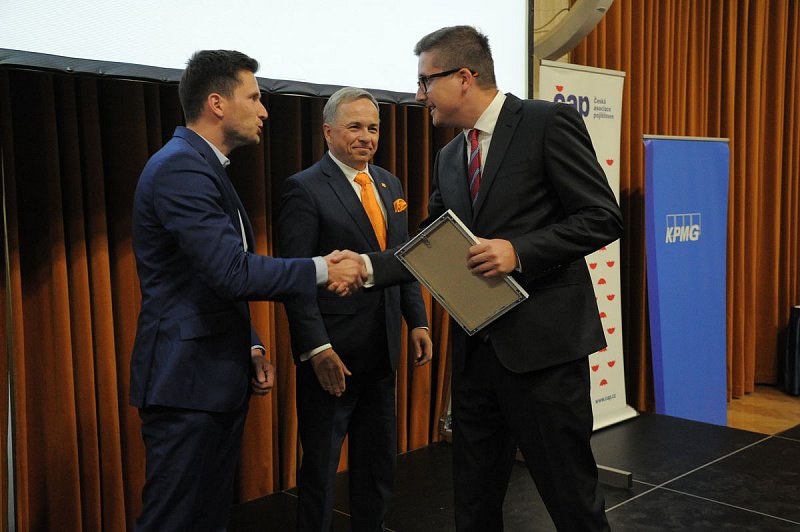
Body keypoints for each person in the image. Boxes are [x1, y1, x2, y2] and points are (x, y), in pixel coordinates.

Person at [367, 26, 623, 531]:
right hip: (476, 358)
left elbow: (602, 217)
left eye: (425, 81)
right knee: (474, 503)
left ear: (464, 77)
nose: (418, 96)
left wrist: (519, 252)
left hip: (545, 355)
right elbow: (432, 245)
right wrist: (367, 267)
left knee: (571, 500)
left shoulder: (547, 122)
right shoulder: (448, 157)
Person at [130, 50, 364, 532]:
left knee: (206, 519)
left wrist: (251, 344)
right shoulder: (181, 168)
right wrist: (323, 268)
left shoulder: (205, 166)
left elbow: (207, 281)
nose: (264, 110)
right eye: (254, 98)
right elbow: (232, 272)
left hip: (210, 378)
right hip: (186, 384)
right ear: (217, 103)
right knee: (173, 521)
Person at [277, 87, 433, 532]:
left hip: (382, 351)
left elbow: (402, 259)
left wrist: (417, 321)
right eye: (355, 127)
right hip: (334, 358)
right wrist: (317, 349)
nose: (366, 137)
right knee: (322, 468)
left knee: (377, 463)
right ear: (328, 132)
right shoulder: (303, 188)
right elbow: (296, 280)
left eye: (373, 128)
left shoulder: (389, 184)